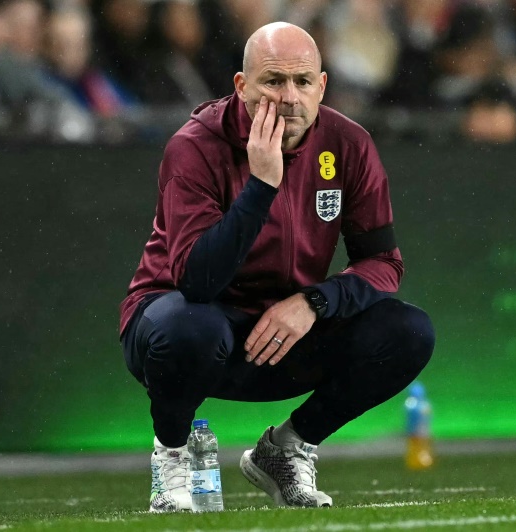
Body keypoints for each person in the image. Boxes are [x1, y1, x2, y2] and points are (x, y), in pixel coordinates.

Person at [119, 22, 435, 512]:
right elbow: (196, 281)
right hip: (186, 328)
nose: (289, 97)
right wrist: (261, 185)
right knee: (189, 327)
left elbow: (383, 263)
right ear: (242, 87)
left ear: (322, 87)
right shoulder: (195, 146)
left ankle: (286, 449)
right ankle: (173, 455)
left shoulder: (348, 145)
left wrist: (315, 301)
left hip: (285, 334)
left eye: (302, 82)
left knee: (409, 331)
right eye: (273, 81)